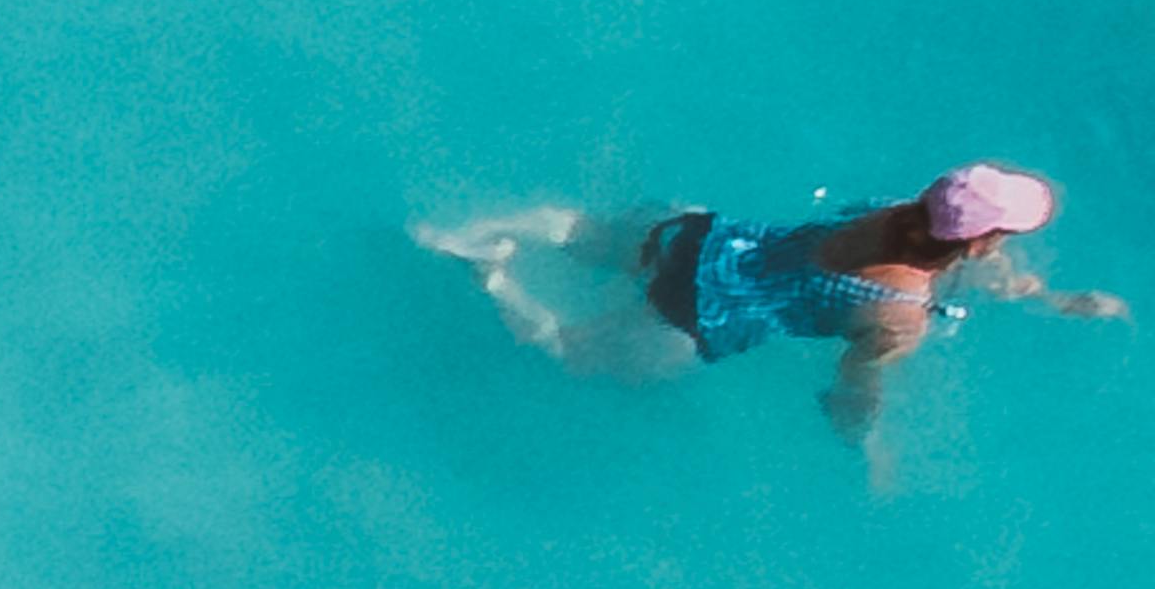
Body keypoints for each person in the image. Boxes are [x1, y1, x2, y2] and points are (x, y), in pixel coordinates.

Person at [437, 167, 1118, 461]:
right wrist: (867, 445)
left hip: (707, 238)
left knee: (591, 235)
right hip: (703, 317)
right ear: (979, 240)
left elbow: (972, 260)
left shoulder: (890, 210)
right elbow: (855, 390)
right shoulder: (900, 314)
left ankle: (481, 231)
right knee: (572, 351)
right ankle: (497, 283)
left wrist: (1050, 299)